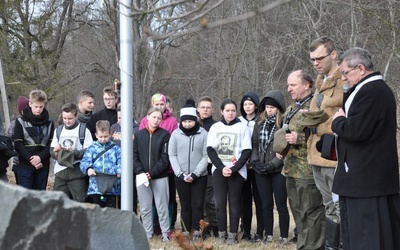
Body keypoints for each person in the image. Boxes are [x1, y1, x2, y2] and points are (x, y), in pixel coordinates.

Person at [332, 47, 400, 250]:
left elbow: (355, 131)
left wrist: (337, 122)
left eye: (345, 72)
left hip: (367, 181)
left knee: (368, 237)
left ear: (360, 68)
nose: (343, 78)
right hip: (367, 180)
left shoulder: (371, 91)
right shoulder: (369, 90)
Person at [308, 36, 344, 249]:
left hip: (334, 155)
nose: (316, 63)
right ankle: (330, 246)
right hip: (316, 154)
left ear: (333, 54)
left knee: (340, 207)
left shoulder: (344, 81)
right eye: (313, 59)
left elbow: (344, 117)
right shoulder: (319, 83)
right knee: (328, 207)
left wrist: (320, 125)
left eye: (320, 58)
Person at [282, 70, 325, 250]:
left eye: (293, 85)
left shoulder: (316, 104)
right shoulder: (292, 107)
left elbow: (324, 134)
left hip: (307, 171)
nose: (289, 89)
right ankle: (302, 246)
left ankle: (314, 247)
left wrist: (298, 139)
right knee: (298, 213)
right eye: (288, 85)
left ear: (306, 85)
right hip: (290, 169)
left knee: (312, 213)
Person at [207, 99, 252, 245]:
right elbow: (210, 150)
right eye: (227, 110)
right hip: (219, 170)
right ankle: (222, 234)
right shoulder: (215, 127)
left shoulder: (242, 127)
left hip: (237, 172)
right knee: (219, 203)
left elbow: (246, 151)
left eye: (233, 110)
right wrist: (221, 168)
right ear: (222, 111)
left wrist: (233, 169)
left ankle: (232, 235)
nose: (230, 113)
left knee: (234, 203)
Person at [250, 90, 290, 245]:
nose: (269, 110)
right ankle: (268, 235)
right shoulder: (258, 124)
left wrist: (272, 165)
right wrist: (256, 163)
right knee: (265, 204)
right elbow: (254, 145)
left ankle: (284, 236)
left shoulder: (283, 125)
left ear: (278, 109)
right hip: (261, 170)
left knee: (281, 204)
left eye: (273, 107)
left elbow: (284, 149)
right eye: (267, 107)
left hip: (278, 170)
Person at [168, 99, 208, 241]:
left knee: (197, 204)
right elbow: (172, 155)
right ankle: (185, 230)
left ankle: (197, 230)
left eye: (190, 121)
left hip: (199, 176)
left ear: (195, 120)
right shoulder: (175, 134)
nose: (187, 124)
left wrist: (196, 173)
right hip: (181, 176)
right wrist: (180, 173)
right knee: (185, 205)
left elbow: (206, 155)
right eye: (185, 122)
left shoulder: (203, 134)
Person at [139, 93, 178, 232]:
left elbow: (171, 146)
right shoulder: (144, 122)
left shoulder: (172, 122)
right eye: (157, 105)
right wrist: (142, 170)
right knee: (147, 203)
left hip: (165, 169)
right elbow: (141, 145)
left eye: (162, 104)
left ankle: (167, 227)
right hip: (145, 170)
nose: (160, 107)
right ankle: (151, 227)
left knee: (166, 200)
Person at [133, 107, 171, 242]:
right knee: (145, 207)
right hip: (141, 177)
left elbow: (165, 158)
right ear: (147, 117)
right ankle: (147, 233)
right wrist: (141, 172)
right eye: (154, 117)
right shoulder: (138, 135)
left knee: (162, 207)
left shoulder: (165, 135)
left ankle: (165, 233)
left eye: (159, 118)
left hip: (159, 176)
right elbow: (134, 155)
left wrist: (152, 173)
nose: (156, 120)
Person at [50, 103, 93, 202]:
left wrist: (73, 154)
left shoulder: (84, 131)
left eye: (70, 118)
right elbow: (51, 151)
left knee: (80, 204)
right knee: (59, 204)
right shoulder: (58, 130)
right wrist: (57, 151)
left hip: (77, 174)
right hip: (60, 173)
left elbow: (89, 151)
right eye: (64, 118)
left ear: (76, 116)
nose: (67, 121)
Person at [13, 90, 54, 190]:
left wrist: (40, 157)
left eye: (41, 106)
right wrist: (31, 159)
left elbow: (51, 143)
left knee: (40, 197)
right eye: (36, 106)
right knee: (25, 197)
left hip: (43, 164)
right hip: (25, 164)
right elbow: (18, 143)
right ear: (30, 104)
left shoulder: (50, 122)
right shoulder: (20, 121)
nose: (38, 109)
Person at [238, 92, 263, 242]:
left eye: (250, 104)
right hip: (242, 166)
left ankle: (260, 230)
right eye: (245, 104)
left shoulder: (261, 120)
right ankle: (246, 230)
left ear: (255, 105)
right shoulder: (238, 121)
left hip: (257, 166)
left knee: (259, 199)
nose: (247, 107)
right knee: (244, 200)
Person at [80, 120, 121, 208]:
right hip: (96, 187)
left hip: (112, 186)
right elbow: (84, 162)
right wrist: (88, 169)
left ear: (110, 134)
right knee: (98, 211)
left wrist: (119, 171)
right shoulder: (91, 148)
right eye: (100, 136)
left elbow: (121, 162)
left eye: (105, 136)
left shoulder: (116, 149)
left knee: (112, 212)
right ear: (96, 135)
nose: (103, 139)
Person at [110, 106, 139, 213]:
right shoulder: (113, 128)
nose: (120, 120)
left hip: (130, 167)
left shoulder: (136, 129)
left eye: (123, 117)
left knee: (130, 195)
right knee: (115, 197)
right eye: (119, 117)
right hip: (115, 167)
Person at [197, 96, 218, 239]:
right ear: (197, 109)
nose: (205, 110)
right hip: (196, 169)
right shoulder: (192, 124)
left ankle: (215, 226)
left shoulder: (216, 126)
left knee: (210, 201)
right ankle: (202, 227)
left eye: (208, 107)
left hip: (211, 169)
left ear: (212, 110)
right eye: (202, 107)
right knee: (199, 201)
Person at [6, 96, 29, 184]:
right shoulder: (14, 124)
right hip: (18, 162)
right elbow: (8, 141)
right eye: (24, 109)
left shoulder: (35, 122)